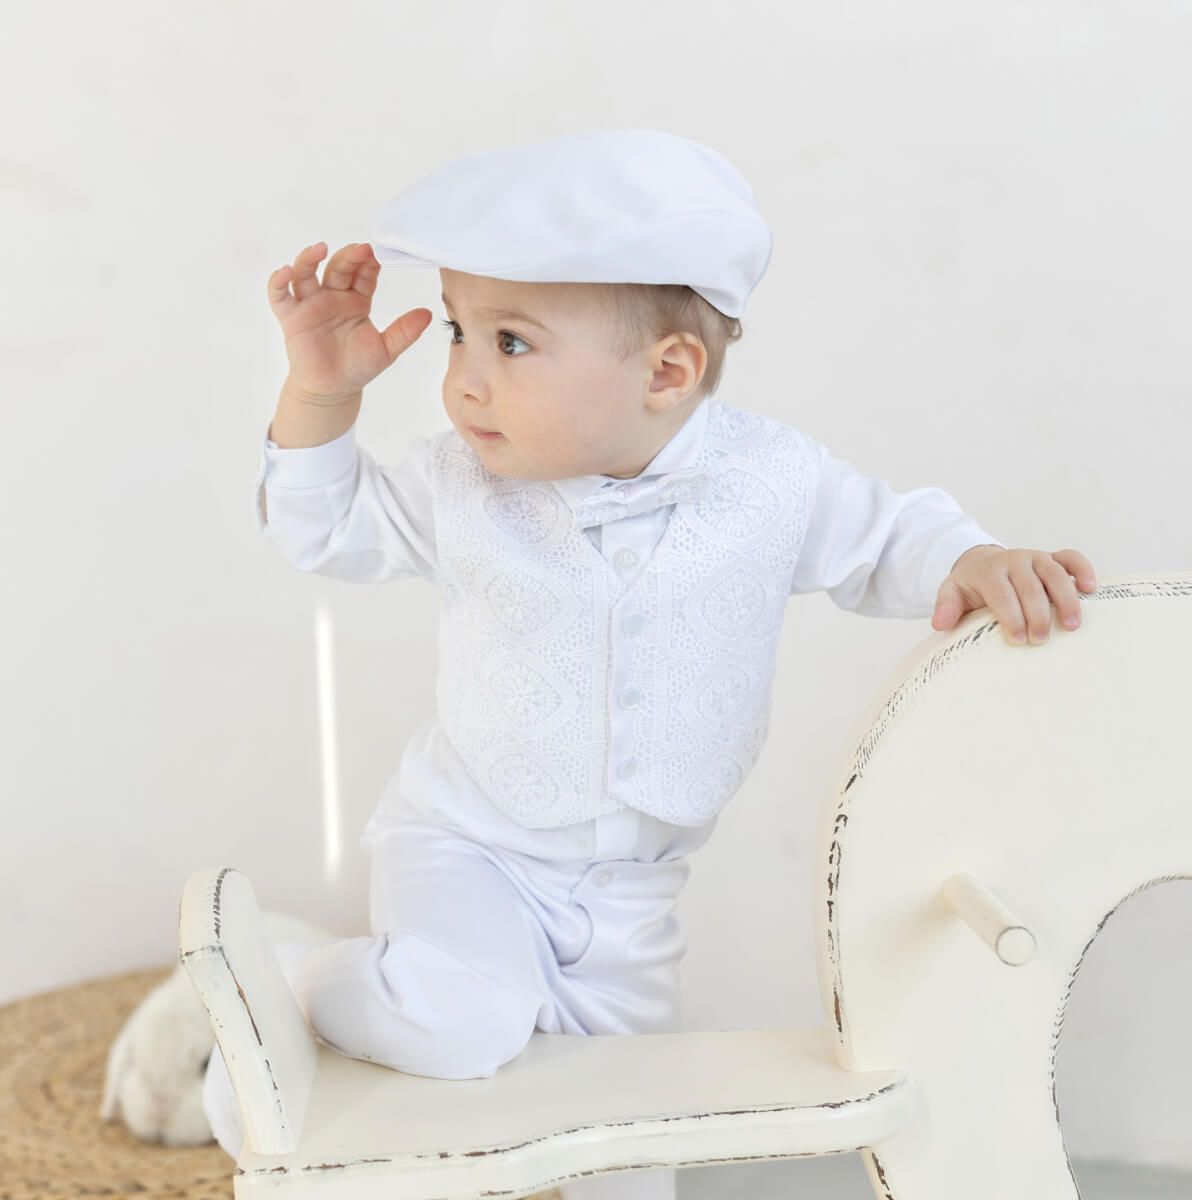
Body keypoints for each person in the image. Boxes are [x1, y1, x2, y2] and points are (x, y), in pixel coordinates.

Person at [203, 130, 1098, 1199]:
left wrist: (975, 558)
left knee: (630, 1139)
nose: (461, 382)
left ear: (667, 372)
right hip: (469, 846)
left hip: (633, 891)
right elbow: (327, 528)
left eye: (511, 344)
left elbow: (886, 537)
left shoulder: (770, 481)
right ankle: (289, 988)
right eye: (457, 332)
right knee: (463, 1020)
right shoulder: (462, 489)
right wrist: (320, 395)